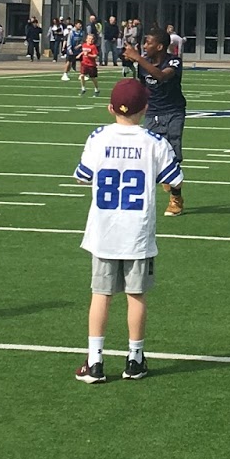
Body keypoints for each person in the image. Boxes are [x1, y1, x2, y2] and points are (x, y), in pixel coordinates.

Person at [72, 78, 183, 384]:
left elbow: (82, 176)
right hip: (137, 233)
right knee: (136, 295)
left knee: (101, 295)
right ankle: (134, 359)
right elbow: (175, 179)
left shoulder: (98, 137)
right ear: (145, 108)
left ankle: (95, 361)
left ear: (111, 108)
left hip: (104, 232)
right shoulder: (154, 142)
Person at [123, 27, 187, 216]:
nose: (144, 46)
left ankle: (176, 198)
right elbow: (143, 87)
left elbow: (162, 76)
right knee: (149, 154)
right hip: (152, 113)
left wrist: (137, 58)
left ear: (159, 46)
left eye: (148, 43)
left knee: (172, 155)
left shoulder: (174, 61)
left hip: (173, 112)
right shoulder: (144, 63)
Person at [76, 30, 101, 97]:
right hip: (84, 64)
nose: (90, 40)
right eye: (89, 39)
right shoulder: (84, 45)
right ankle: (83, 88)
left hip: (91, 65)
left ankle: (96, 89)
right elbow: (84, 51)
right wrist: (79, 55)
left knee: (93, 78)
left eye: (92, 39)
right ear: (86, 39)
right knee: (82, 76)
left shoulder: (93, 47)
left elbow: (95, 55)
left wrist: (88, 55)